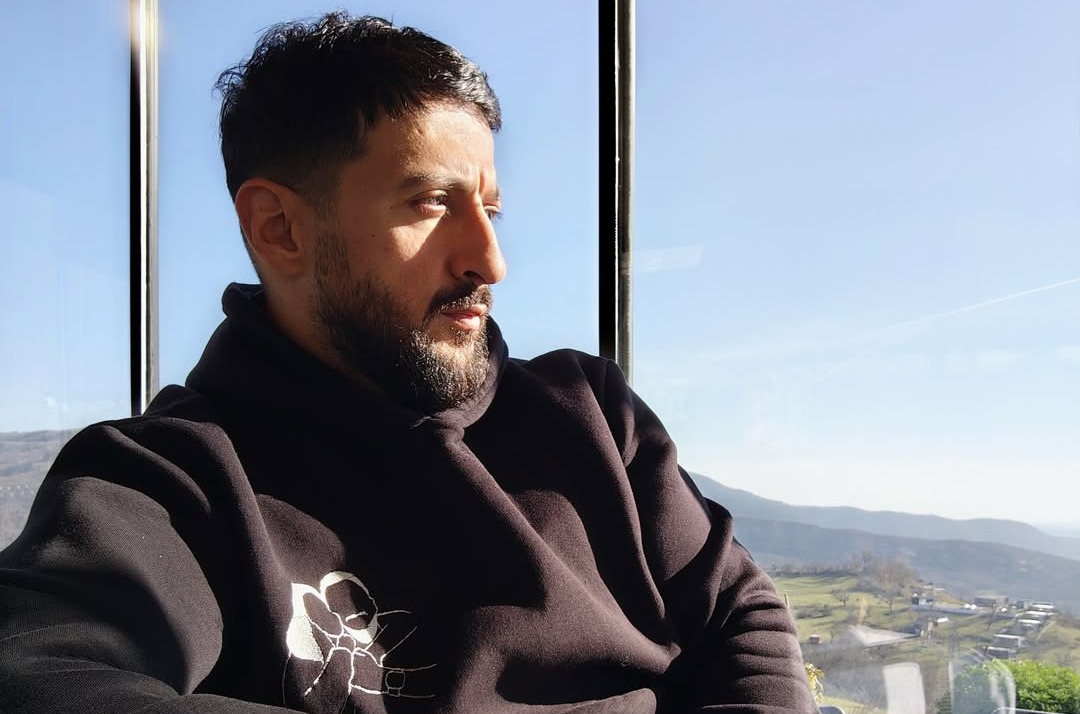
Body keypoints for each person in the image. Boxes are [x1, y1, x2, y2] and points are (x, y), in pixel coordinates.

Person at [0, 12, 816, 713]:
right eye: (431, 202)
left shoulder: (591, 412)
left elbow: (739, 613)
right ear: (280, 229)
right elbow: (35, 676)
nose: (489, 260)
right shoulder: (174, 483)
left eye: (489, 208)